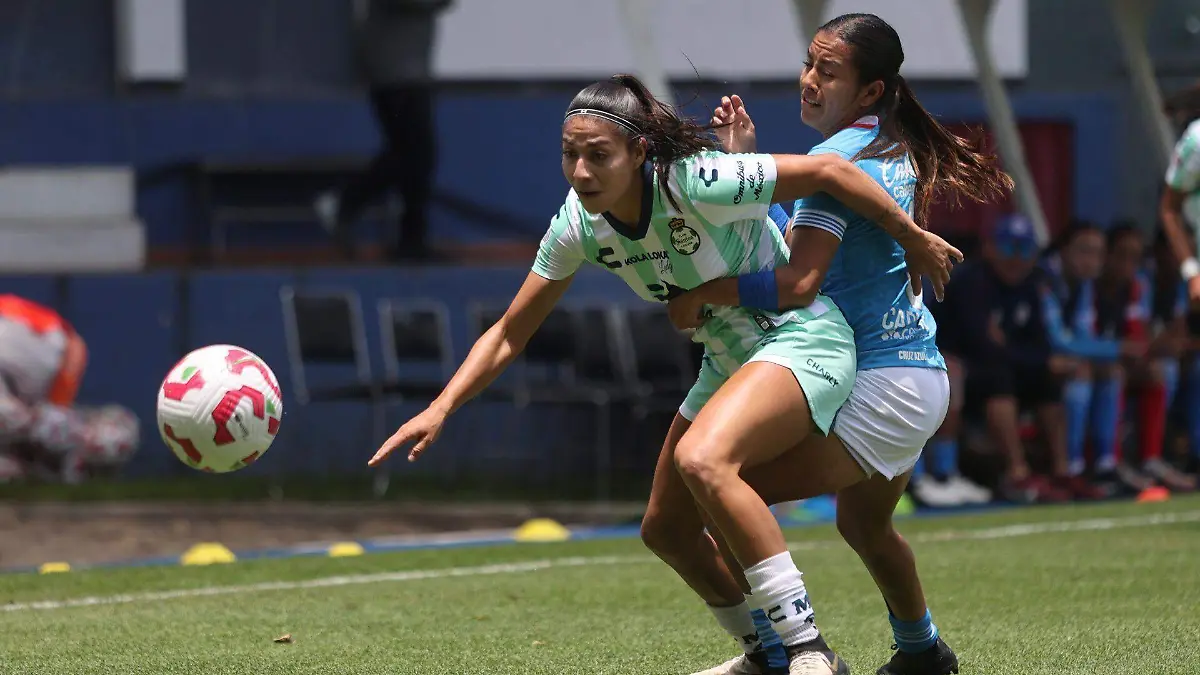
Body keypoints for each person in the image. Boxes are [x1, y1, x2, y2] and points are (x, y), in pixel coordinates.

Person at [367, 73, 961, 675]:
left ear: (639, 152)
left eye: (599, 155)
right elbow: (508, 333)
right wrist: (441, 407)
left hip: (801, 338)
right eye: (570, 154)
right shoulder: (577, 224)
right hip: (727, 360)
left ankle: (809, 650)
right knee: (666, 529)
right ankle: (766, 655)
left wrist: (912, 237)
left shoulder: (696, 180)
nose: (581, 172)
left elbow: (832, 172)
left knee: (703, 461)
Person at [653, 13, 1010, 675]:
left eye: (829, 71)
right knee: (864, 525)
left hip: (878, 384)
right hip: (915, 374)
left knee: (723, 485)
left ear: (870, 90)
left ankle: (787, 651)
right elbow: (804, 251)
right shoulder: (880, 147)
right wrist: (744, 162)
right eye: (809, 64)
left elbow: (798, 282)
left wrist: (707, 294)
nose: (810, 81)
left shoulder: (836, 161)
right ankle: (922, 650)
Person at [315, 0, 453, 262]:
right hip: (394, 73)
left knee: (416, 156)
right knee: (413, 152)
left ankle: (410, 241)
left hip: (408, 72)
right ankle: (346, 203)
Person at [0, 294, 138, 483]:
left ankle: (67, 446)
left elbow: (71, 345)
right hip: (39, 380)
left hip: (39, 349)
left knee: (41, 426)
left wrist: (56, 406)